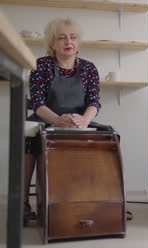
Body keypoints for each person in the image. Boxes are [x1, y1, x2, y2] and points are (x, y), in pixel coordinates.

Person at [24, 18, 101, 224]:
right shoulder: (40, 65)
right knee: (27, 142)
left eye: (73, 37)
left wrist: (84, 119)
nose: (69, 41)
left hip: (79, 121)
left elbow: (94, 102)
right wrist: (58, 120)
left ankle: (102, 200)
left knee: (109, 139)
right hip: (46, 118)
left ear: (78, 42)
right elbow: (38, 103)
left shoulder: (89, 68)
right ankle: (22, 204)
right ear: (52, 43)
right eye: (62, 37)